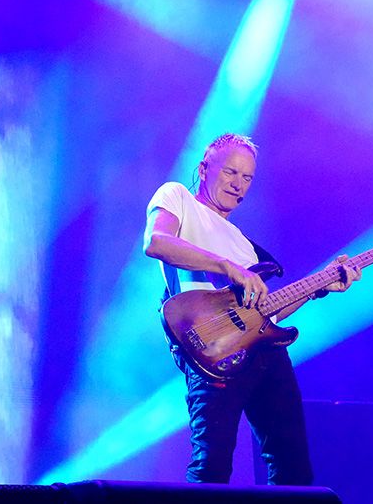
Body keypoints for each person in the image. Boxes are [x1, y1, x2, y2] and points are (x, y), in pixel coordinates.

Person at [142, 133, 361, 484]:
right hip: (210, 347)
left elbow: (267, 315)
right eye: (230, 172)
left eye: (247, 178)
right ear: (203, 169)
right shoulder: (177, 196)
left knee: (293, 467)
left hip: (264, 352)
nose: (238, 184)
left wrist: (319, 287)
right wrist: (230, 268)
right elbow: (156, 242)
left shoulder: (245, 245)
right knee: (211, 464)